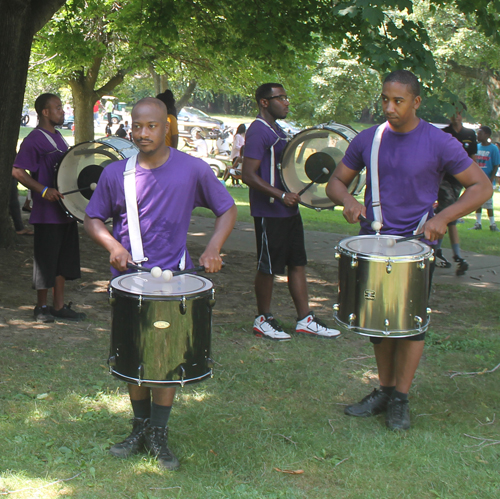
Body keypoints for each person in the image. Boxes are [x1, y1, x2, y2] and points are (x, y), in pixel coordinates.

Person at [326, 70, 491, 430]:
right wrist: (347, 200)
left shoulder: (438, 142)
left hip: (416, 246)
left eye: (398, 101)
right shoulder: (369, 140)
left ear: (416, 102)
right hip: (374, 242)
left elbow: (481, 187)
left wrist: (444, 217)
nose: (389, 107)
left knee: (410, 323)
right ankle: (384, 390)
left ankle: (401, 397)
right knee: (376, 322)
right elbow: (335, 182)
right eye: (385, 99)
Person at [84, 97, 236, 470]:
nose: (142, 133)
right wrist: (113, 245)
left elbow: (227, 208)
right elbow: (93, 219)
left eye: (151, 126)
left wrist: (214, 247)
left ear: (167, 126)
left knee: (165, 357)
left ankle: (158, 432)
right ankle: (139, 426)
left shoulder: (192, 169)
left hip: (175, 279)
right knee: (135, 354)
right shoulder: (115, 173)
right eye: (137, 126)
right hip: (129, 279)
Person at [242, 83, 341, 341]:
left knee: (298, 263)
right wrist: (281, 195)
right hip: (270, 211)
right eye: (281, 98)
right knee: (268, 267)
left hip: (289, 211)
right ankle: (263, 319)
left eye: (287, 97)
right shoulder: (258, 131)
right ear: (264, 102)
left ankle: (305, 318)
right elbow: (247, 175)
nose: (286, 102)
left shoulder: (279, 130)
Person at [12, 93, 87, 323]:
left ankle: (59, 307)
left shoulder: (60, 138)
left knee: (62, 261)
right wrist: (44, 191)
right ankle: (41, 307)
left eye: (61, 107)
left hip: (66, 212)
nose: (62, 111)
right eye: (57, 107)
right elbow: (17, 171)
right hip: (46, 214)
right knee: (46, 261)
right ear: (45, 112)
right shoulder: (34, 139)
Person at [434, 103, 477, 274]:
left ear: (463, 115)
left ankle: (452, 255)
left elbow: (472, 158)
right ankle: (440, 253)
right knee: (448, 214)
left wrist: (473, 182)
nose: (456, 115)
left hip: (459, 181)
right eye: (453, 112)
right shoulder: (444, 133)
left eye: (459, 112)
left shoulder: (469, 134)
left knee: (450, 216)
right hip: (444, 179)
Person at [470, 126, 500, 231]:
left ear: (487, 135)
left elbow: (496, 165)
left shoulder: (493, 149)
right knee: (477, 201)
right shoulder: (477, 147)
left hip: (487, 180)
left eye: (480, 133)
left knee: (488, 203)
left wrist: (491, 179)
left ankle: (493, 224)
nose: (478, 135)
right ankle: (478, 223)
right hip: (477, 180)